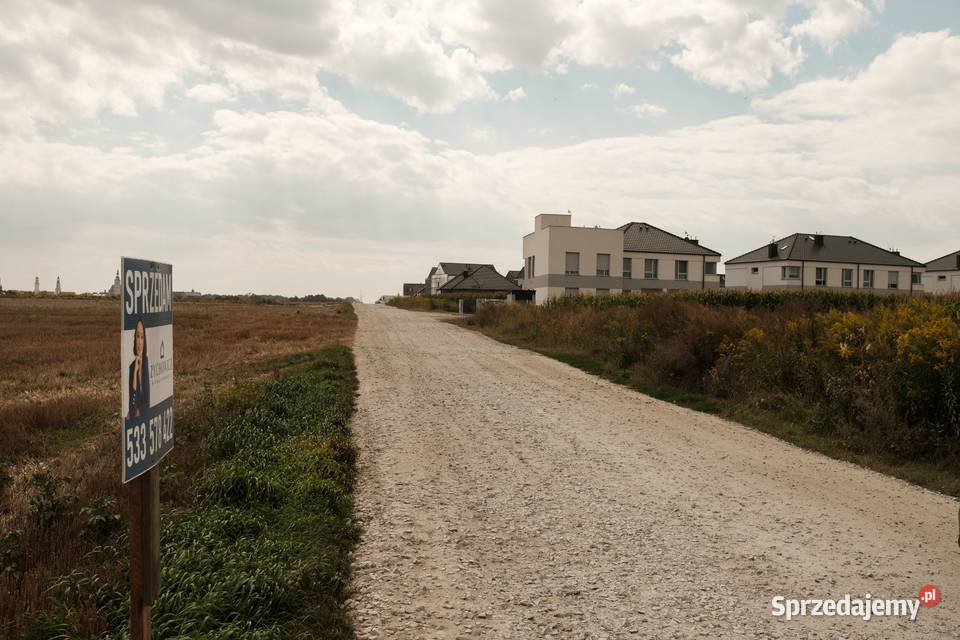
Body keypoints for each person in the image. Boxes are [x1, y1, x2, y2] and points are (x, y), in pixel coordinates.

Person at [127, 317, 150, 420]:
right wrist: (135, 372)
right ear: (134, 339)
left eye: (142, 337)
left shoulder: (146, 363)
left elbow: (147, 404)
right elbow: (132, 409)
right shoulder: (132, 367)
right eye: (137, 336)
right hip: (137, 420)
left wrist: (138, 411)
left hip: (145, 419)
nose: (139, 342)